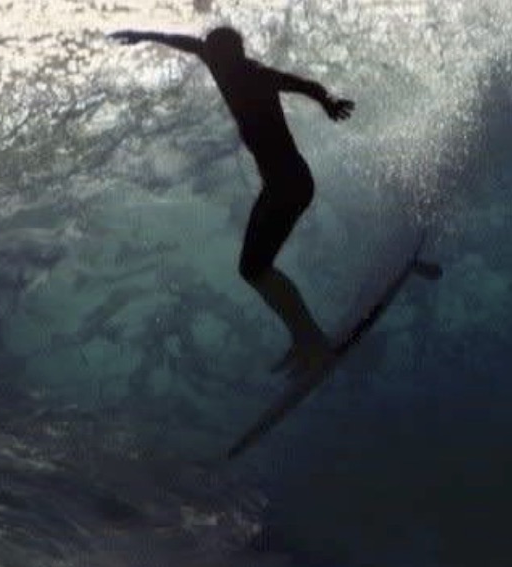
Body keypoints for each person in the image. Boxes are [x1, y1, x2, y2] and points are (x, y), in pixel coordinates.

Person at [109, 26, 355, 376]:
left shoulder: (255, 75)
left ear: (238, 55)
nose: (221, 66)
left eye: (226, 59)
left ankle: (313, 342)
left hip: (291, 185)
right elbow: (185, 42)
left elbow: (303, 84)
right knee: (252, 269)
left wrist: (328, 102)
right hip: (277, 186)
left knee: (256, 268)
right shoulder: (216, 59)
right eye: (216, 58)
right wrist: (143, 34)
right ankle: (305, 340)